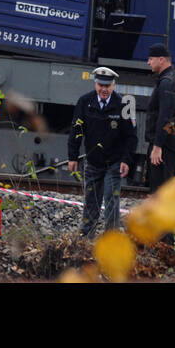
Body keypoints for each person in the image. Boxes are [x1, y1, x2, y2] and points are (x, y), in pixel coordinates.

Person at [67, 66, 136, 237]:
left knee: (111, 200)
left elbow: (131, 136)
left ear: (114, 85)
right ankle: (86, 237)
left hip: (114, 161)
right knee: (91, 201)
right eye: (101, 85)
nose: (104, 89)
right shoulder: (85, 102)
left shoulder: (124, 104)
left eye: (108, 86)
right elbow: (76, 130)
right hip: (93, 161)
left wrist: (126, 160)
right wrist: (72, 156)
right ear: (95, 84)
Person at [143, 43, 175, 191]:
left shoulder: (167, 83)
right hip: (171, 143)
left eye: (151, 59)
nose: (148, 62)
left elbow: (165, 115)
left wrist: (157, 146)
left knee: (159, 189)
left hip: (164, 146)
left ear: (161, 60)